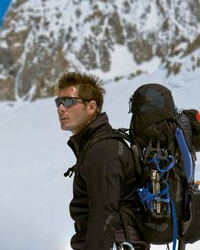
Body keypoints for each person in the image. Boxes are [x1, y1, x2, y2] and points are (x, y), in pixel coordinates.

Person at [55, 72, 149, 250]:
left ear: (91, 107)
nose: (60, 108)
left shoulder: (103, 151)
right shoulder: (96, 147)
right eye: (58, 102)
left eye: (68, 101)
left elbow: (104, 214)